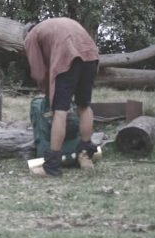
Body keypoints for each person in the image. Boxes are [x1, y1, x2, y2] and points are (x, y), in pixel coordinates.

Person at [22, 17, 100, 176]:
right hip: (91, 56)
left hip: (68, 57)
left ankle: (52, 166)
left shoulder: (31, 36)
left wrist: (48, 93)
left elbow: (38, 72)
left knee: (60, 111)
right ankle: (85, 156)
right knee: (84, 105)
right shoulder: (54, 25)